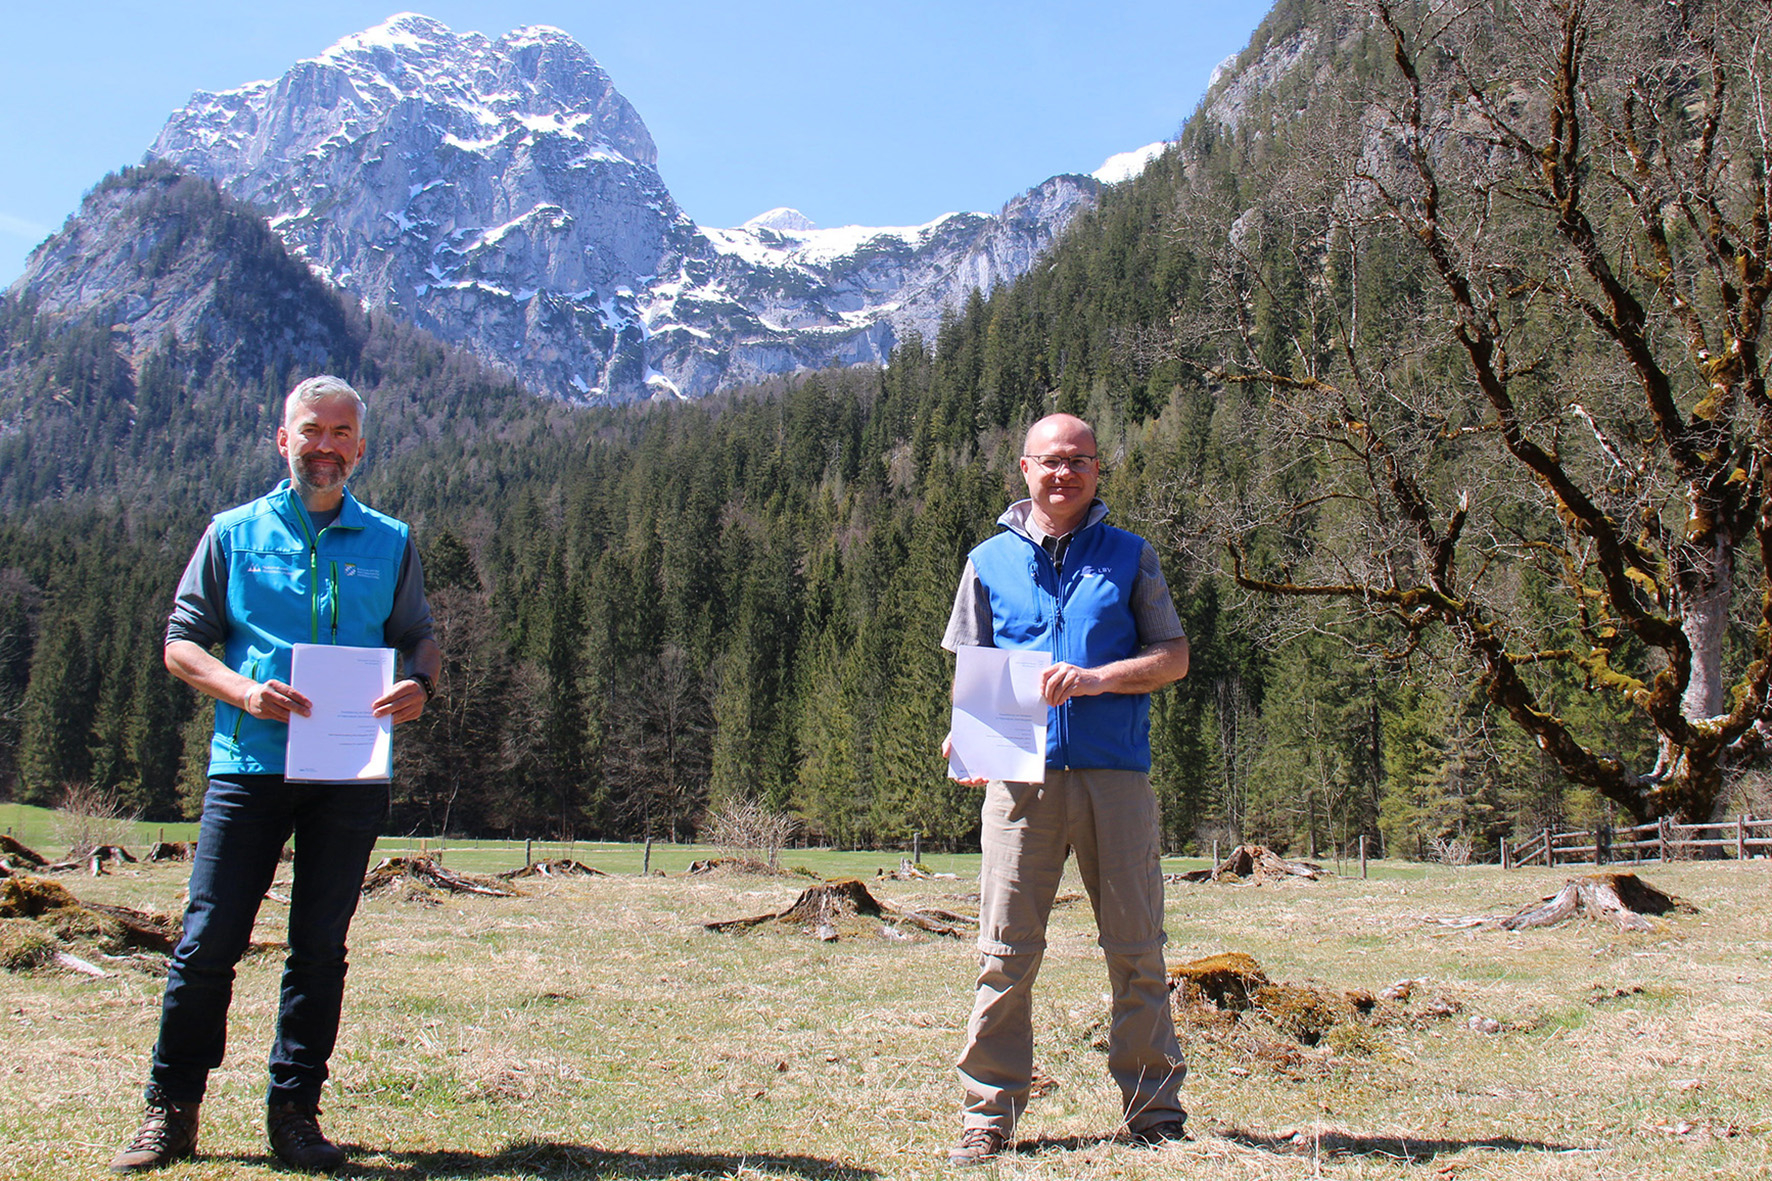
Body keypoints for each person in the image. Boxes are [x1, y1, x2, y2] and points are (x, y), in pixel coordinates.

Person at [111, 375, 441, 1174]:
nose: (324, 446)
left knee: (319, 948)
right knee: (206, 942)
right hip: (249, 765)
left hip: (349, 771)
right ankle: (170, 1109)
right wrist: (243, 690)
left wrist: (420, 687)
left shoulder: (391, 541)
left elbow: (419, 637)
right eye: (310, 430)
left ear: (359, 449)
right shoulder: (232, 533)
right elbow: (181, 643)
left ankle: (295, 1114)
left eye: (340, 434)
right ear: (283, 438)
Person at [939, 412, 1190, 1165]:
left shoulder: (1131, 557)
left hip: (1116, 774)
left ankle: (1154, 1112)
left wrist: (1093, 680)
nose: (1065, 473)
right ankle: (988, 1115)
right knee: (1004, 950)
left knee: (1137, 947)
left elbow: (1173, 655)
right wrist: (964, 729)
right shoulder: (986, 561)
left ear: (1097, 469)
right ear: (1024, 467)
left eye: (1079, 460)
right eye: (1052, 461)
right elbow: (972, 664)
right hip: (1019, 778)